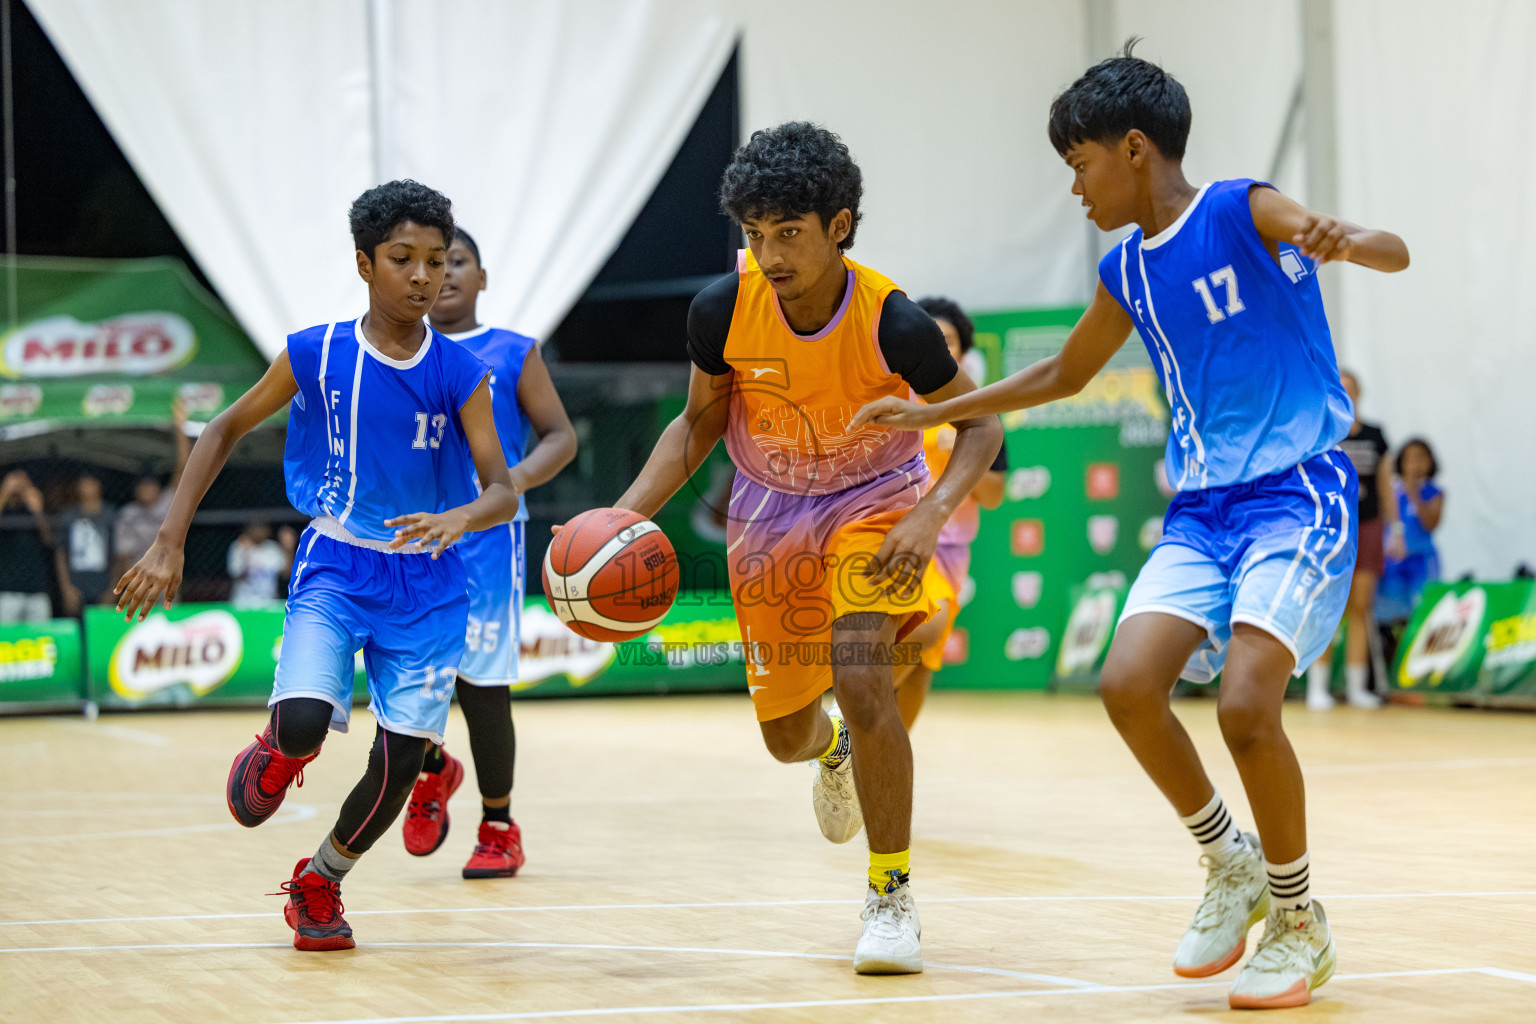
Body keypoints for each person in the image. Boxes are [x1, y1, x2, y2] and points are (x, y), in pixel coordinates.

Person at [853, 47, 1408, 1008]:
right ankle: (1227, 862)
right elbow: (1061, 375)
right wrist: (933, 412)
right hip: (1202, 513)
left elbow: (1389, 249)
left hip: (1297, 493)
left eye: (1081, 165)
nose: (1076, 187)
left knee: (1244, 707)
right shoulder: (1126, 270)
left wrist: (1346, 237)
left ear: (1136, 149)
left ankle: (1297, 919)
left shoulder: (1241, 206)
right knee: (1126, 684)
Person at [598, 122, 1001, 974]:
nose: (770, 253)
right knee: (786, 734)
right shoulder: (721, 309)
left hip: (873, 507)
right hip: (770, 518)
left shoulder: (894, 320)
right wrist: (624, 518)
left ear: (839, 225)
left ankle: (890, 896)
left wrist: (929, 515)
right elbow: (700, 422)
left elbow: (981, 422)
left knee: (862, 675)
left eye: (789, 232)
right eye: (755, 234)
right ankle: (832, 754)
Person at [115, 180, 519, 952]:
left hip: (432, 583)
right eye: (404, 258)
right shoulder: (316, 351)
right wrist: (169, 539)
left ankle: (321, 881)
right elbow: (223, 428)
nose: (425, 276)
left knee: (400, 763)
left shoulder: (462, 372)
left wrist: (460, 516)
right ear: (365, 264)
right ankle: (279, 749)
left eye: (437, 260)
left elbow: (502, 489)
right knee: (304, 723)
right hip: (337, 563)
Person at [401, 226, 577, 878]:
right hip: (407, 535)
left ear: (482, 277)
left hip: (485, 539)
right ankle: (432, 768)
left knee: (481, 688)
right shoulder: (397, 352)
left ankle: (499, 824)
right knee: (406, 680)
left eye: (457, 261)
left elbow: (560, 436)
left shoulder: (510, 351)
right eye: (430, 262)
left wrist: (513, 483)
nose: (443, 273)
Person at [891, 297, 1008, 729]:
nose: (941, 347)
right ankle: (848, 729)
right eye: (933, 338)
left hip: (952, 553)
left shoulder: (979, 409)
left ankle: (875, 765)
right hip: (898, 541)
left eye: (951, 341)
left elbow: (994, 495)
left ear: (964, 351)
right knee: (913, 639)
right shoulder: (894, 400)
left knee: (921, 666)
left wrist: (962, 450)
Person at [1307, 370, 1401, 709]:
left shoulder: (1376, 436)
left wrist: (1397, 529)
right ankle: (1317, 687)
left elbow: (1385, 485)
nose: (1346, 393)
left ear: (1360, 392)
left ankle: (1357, 687)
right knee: (1326, 606)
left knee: (1361, 608)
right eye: (1340, 388)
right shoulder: (1319, 433)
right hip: (1330, 529)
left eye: (1351, 388)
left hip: (1369, 526)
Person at [112, 398, 191, 587]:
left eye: (150, 485)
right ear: (136, 489)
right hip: (138, 580)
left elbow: (184, 469)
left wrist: (180, 427)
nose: (146, 489)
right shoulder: (128, 514)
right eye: (142, 486)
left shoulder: (166, 503)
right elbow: (123, 557)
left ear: (157, 487)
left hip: (166, 578)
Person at [1377, 438, 1443, 624]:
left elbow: (1431, 523)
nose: (1415, 464)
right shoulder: (1392, 493)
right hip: (1394, 562)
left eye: (1421, 459)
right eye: (1410, 459)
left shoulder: (1433, 493)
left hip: (1422, 561)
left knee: (1422, 610)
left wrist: (1414, 491)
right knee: (1392, 612)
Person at [54, 474, 116, 614]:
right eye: (82, 482)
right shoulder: (68, 516)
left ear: (98, 484)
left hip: (103, 583)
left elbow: (119, 556)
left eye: (90, 482)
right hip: (77, 583)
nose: (86, 487)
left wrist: (113, 589)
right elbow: (61, 554)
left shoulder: (110, 516)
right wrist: (67, 588)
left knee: (102, 628)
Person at [0, 470, 56, 623]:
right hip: (7, 590)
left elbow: (49, 540)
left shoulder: (33, 509)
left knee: (41, 636)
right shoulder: (3, 507)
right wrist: (5, 493)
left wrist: (38, 510)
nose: (19, 487)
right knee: (6, 637)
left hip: (37, 589)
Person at [226, 521, 297, 608]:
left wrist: (288, 549)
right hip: (242, 603)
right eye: (255, 528)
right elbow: (235, 573)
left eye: (262, 528)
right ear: (249, 530)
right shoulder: (239, 546)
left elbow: (286, 572)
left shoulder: (272, 548)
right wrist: (246, 554)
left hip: (268, 603)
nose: (259, 531)